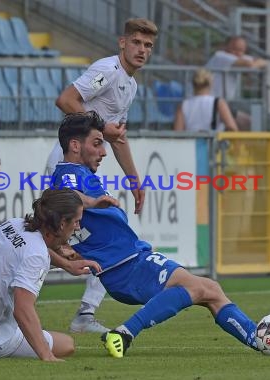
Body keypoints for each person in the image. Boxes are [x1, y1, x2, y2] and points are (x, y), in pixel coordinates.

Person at [50, 111, 270, 358]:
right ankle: (123, 334)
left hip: (130, 261)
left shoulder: (76, 174)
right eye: (97, 143)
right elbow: (65, 197)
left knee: (210, 289)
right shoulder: (69, 175)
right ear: (75, 145)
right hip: (126, 266)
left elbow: (63, 207)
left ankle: (260, 340)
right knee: (198, 288)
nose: (103, 151)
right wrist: (93, 204)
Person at [44, 18, 158, 333]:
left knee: (104, 237)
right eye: (136, 42)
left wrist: (135, 180)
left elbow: (116, 137)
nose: (142, 50)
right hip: (67, 164)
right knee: (52, 239)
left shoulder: (130, 85)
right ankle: (10, 304)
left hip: (84, 169)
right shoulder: (107, 71)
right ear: (122, 43)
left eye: (148, 46)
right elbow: (66, 100)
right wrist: (100, 128)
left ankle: (84, 315)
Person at [0, 188, 103, 360]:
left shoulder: (15, 224)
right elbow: (22, 310)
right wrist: (47, 356)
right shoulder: (36, 254)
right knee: (67, 345)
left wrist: (67, 265)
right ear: (61, 223)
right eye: (75, 221)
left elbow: (30, 251)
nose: (78, 227)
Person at [205, 35, 267, 130]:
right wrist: (253, 64)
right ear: (226, 47)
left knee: (246, 123)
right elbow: (250, 65)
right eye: (234, 49)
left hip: (221, 104)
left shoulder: (238, 57)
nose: (237, 53)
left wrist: (253, 64)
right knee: (239, 125)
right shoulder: (221, 56)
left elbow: (264, 62)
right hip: (210, 104)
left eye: (241, 50)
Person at [173, 68, 238, 132]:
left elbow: (178, 133)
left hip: (192, 141)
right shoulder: (219, 103)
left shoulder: (183, 105)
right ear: (211, 84)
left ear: (193, 84)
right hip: (213, 141)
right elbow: (232, 128)